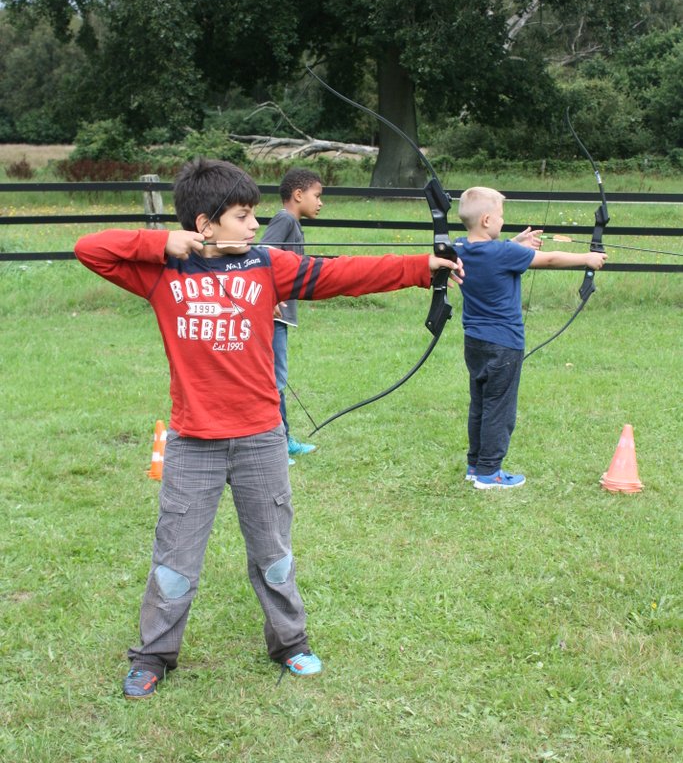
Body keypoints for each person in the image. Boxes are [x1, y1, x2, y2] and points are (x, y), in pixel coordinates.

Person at [74, 157, 463, 698]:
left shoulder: (267, 264)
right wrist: (162, 242)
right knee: (175, 561)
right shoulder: (163, 270)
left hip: (260, 438)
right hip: (193, 443)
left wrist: (422, 266)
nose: (254, 225)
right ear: (205, 223)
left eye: (254, 214)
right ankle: (153, 655)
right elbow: (89, 248)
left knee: (274, 555)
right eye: (242, 216)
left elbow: (342, 274)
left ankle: (290, 642)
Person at [455, 186, 607, 490]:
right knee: (499, 408)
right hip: (504, 344)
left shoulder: (459, 247)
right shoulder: (504, 254)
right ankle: (490, 474)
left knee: (481, 404)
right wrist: (587, 258)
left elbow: (489, 252)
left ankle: (475, 465)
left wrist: (515, 243)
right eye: (500, 216)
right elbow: (548, 259)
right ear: (486, 220)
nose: (502, 221)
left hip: (475, 342)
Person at [261, 168, 323, 462]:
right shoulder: (285, 219)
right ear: (298, 195)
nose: (320, 202)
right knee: (274, 382)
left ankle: (283, 440)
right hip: (272, 315)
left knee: (277, 380)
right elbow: (263, 254)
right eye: (317, 195)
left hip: (280, 316)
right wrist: (269, 297)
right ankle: (275, 446)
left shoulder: (293, 223)